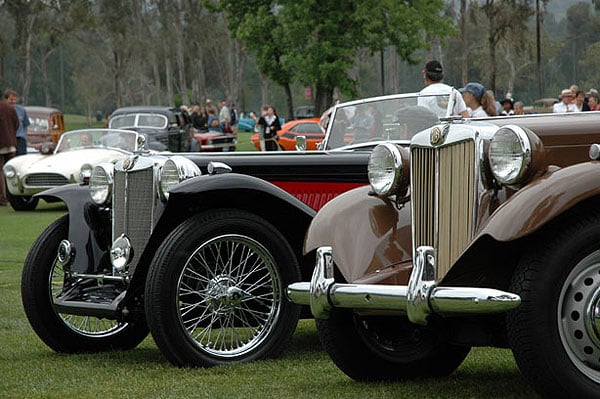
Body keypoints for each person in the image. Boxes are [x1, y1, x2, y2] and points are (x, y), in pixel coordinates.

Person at [0, 96, 19, 206]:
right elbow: (17, 124)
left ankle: (2, 198)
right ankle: (13, 195)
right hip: (11, 143)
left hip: (1, 143)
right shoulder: (10, 108)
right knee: (11, 170)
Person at [5, 89, 30, 156]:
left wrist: (24, 136)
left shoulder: (21, 110)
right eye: (11, 99)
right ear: (6, 99)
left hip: (19, 139)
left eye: (14, 100)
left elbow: (26, 125)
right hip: (7, 139)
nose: (13, 102)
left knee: (21, 158)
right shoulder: (3, 110)